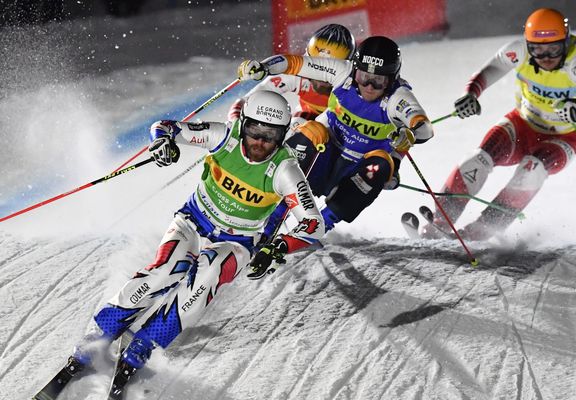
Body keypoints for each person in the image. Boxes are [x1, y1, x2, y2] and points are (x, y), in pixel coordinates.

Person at [62, 91, 325, 391]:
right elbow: (165, 126)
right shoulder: (224, 137)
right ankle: (100, 334)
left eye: (271, 135)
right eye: (254, 131)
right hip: (193, 221)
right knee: (165, 270)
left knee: (204, 279)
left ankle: (144, 345)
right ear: (244, 124)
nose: (260, 143)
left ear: (283, 134)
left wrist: (279, 247)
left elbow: (314, 224)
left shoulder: (284, 169)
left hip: (236, 242)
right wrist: (164, 143)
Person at [421, 8, 576, 241]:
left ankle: (482, 230)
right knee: (478, 160)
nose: (546, 57)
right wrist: (471, 94)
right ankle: (440, 221)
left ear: (566, 42)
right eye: (537, 49)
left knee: (532, 171)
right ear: (528, 45)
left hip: (561, 138)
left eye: (554, 49)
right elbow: (492, 69)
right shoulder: (520, 51)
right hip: (521, 125)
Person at [238, 36, 434, 236]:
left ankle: (319, 227)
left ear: (392, 80)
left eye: (378, 81)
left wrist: (409, 133)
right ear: (355, 69)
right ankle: (273, 219)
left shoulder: (398, 97)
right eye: (364, 77)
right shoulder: (343, 71)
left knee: (381, 165)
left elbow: (425, 127)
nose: (369, 86)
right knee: (310, 130)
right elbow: (296, 63)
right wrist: (263, 67)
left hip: (356, 170)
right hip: (325, 154)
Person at [228, 23, 356, 130]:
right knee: (296, 127)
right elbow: (247, 101)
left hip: (347, 124)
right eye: (317, 69)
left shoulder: (359, 83)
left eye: (330, 72)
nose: (322, 78)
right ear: (309, 62)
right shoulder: (297, 76)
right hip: (308, 118)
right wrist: (235, 124)